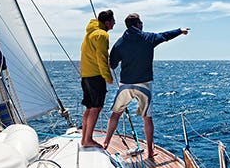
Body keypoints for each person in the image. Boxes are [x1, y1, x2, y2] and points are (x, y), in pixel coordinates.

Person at [103, 13, 188, 158]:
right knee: (147, 118)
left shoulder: (120, 43)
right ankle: (149, 151)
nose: (142, 25)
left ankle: (105, 144)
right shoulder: (148, 38)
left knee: (116, 114)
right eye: (141, 23)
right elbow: (165, 35)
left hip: (126, 85)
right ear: (137, 24)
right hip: (144, 84)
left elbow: (113, 64)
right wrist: (180, 30)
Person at [80, 9, 115, 148]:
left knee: (89, 108)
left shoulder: (89, 33)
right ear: (107, 22)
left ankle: (84, 138)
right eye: (113, 21)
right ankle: (88, 139)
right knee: (96, 107)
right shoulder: (102, 35)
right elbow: (102, 58)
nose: (114, 23)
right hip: (96, 76)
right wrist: (107, 76)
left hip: (86, 76)